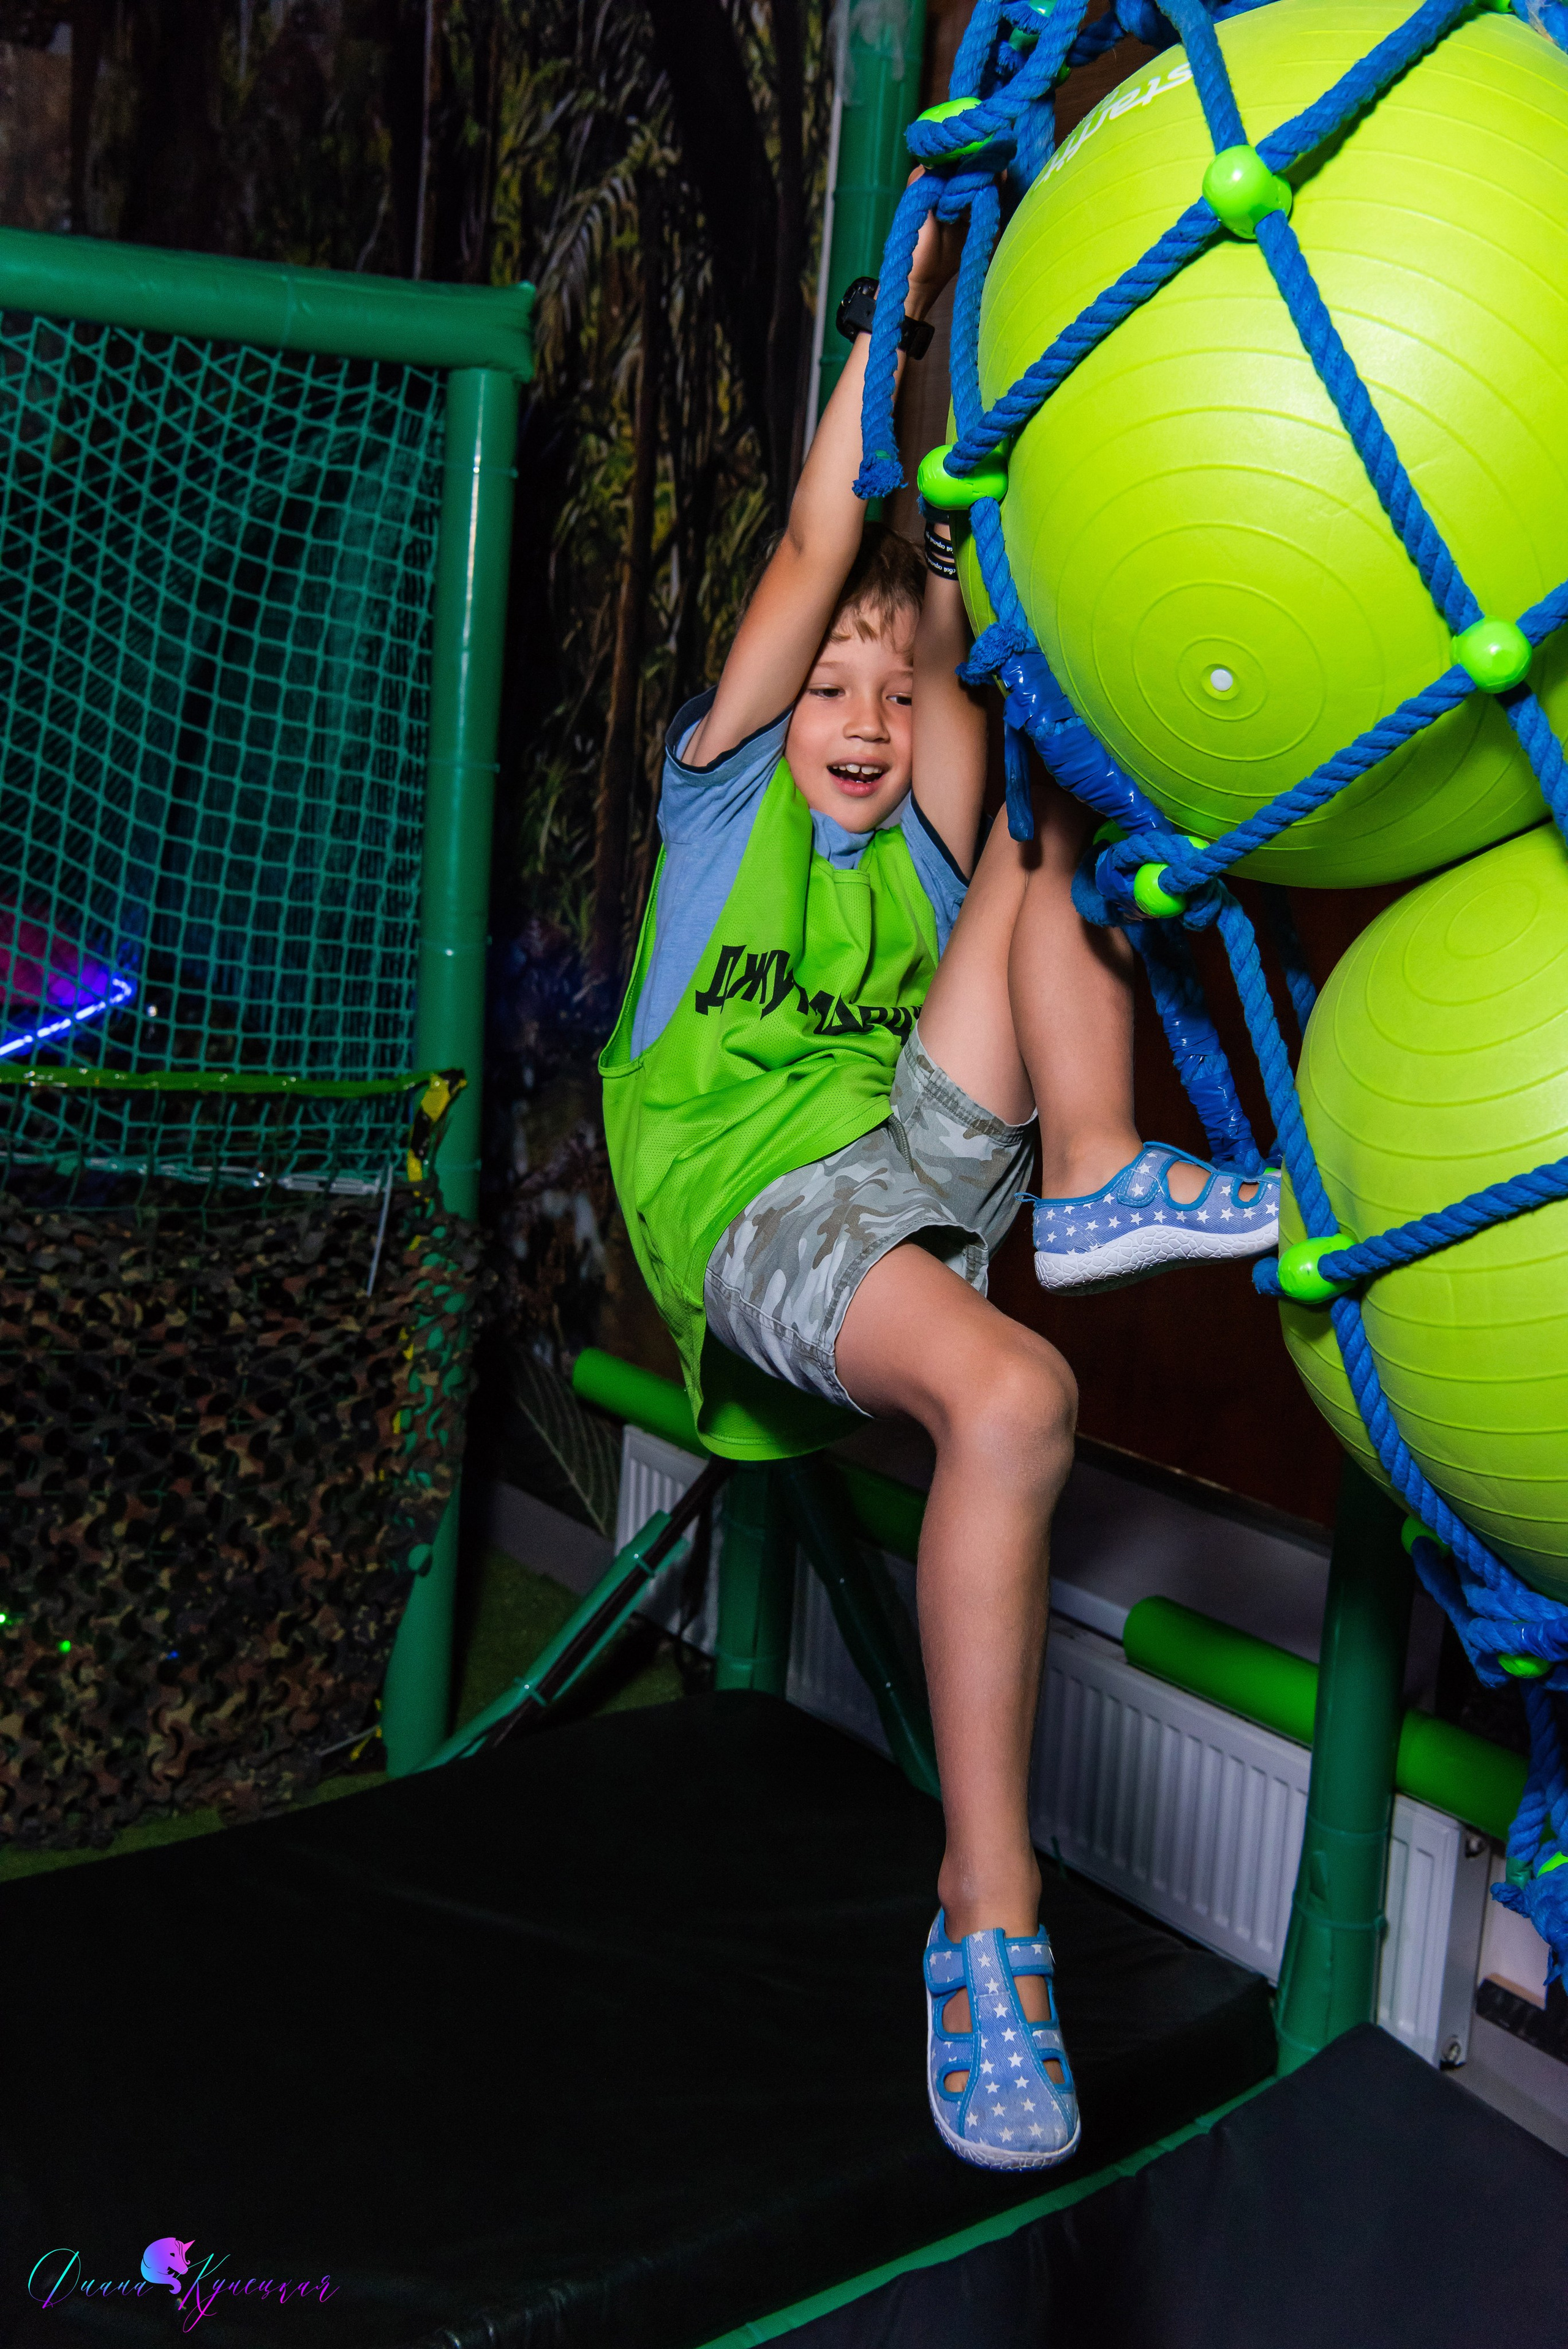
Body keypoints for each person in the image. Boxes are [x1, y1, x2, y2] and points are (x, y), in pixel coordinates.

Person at [598, 219, 1278, 2173]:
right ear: (767, 705)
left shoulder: (919, 814)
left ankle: (1091, 1167)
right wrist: (900, 321)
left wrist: (1034, 379)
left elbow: (980, 639)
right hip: (751, 1205)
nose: (868, 728)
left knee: (1053, 827)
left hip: (914, 1154)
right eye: (833, 692)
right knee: (1016, 1399)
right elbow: (830, 545)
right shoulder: (724, 800)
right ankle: (989, 1930)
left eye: (892, 698)